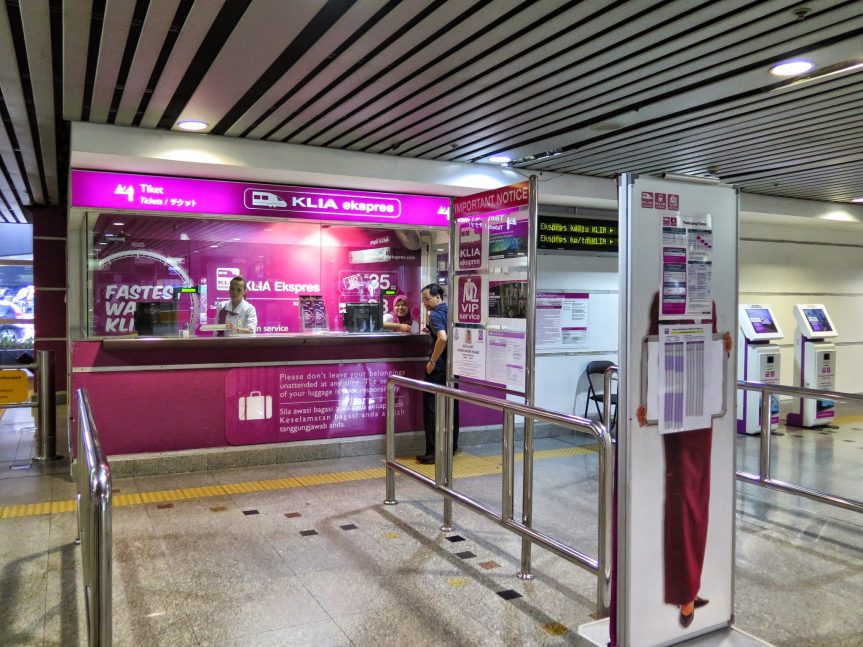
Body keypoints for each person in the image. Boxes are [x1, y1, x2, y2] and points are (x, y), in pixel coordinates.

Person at [417, 283, 459, 464]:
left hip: (439, 366)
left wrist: (432, 361)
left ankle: (434, 451)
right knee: (452, 406)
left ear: (438, 297)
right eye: (423, 300)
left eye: (427, 299)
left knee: (432, 407)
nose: (425, 303)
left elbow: (443, 337)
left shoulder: (434, 314)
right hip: (454, 365)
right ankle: (451, 447)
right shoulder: (451, 310)